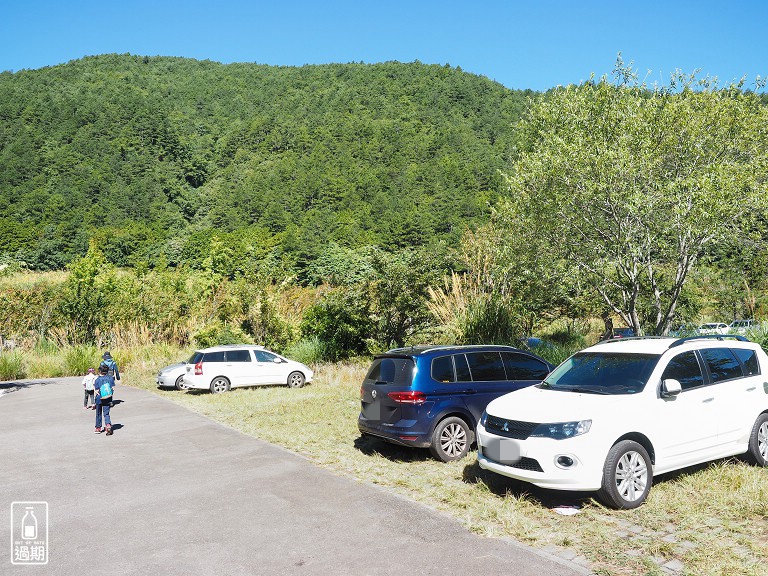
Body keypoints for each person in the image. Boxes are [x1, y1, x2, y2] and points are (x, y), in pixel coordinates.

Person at [94, 364, 115, 435]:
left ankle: (98, 428)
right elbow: (113, 388)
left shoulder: (97, 380)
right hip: (107, 398)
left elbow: (96, 390)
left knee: (98, 413)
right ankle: (108, 425)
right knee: (106, 414)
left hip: (99, 399)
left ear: (99, 371)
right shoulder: (110, 378)